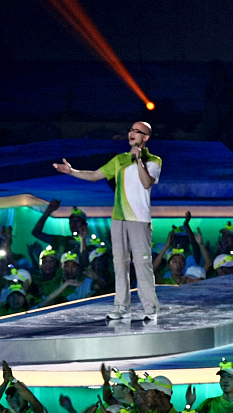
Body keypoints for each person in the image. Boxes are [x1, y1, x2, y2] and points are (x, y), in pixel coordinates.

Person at [53, 122, 162, 321]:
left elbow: (147, 183)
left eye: (138, 132)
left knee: (142, 264)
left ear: (146, 138)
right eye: (131, 129)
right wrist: (72, 171)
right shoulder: (119, 159)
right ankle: (121, 307)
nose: (132, 133)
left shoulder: (154, 160)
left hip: (139, 219)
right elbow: (95, 175)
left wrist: (138, 160)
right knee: (119, 264)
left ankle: (150, 308)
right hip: (119, 218)